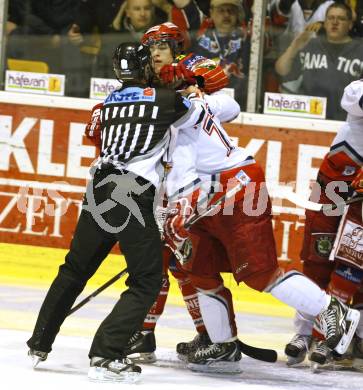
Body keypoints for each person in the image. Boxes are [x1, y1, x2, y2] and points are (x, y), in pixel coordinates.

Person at [26, 42, 206, 382]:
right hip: (131, 190)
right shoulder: (166, 99)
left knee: (75, 270)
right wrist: (191, 88)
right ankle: (106, 354)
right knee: (148, 279)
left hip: (100, 185)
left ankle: (40, 340)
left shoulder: (108, 103)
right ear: (144, 67)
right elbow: (198, 116)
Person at [161, 88, 361, 373]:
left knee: (259, 272)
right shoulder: (186, 103)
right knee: (198, 267)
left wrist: (176, 214)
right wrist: (203, 99)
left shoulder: (171, 126)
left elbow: (183, 179)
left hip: (238, 189)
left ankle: (333, 311)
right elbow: (230, 106)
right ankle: (223, 345)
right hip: (212, 192)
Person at [284, 79, 363, 369]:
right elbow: (352, 97)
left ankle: (337, 336)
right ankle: (304, 333)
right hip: (331, 189)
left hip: (359, 198)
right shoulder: (359, 88)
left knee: (353, 265)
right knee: (317, 260)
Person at [275, 2, 363, 120]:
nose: (335, 22)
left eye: (341, 18)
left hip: (346, 121)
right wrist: (295, 46)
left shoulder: (360, 50)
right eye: (330, 18)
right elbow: (282, 70)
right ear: (325, 23)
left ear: (350, 24)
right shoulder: (311, 45)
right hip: (310, 117)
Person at [171, 0, 250, 109]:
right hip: (201, 100)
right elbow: (183, 3)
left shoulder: (248, 34)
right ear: (211, 12)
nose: (226, 14)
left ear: (238, 14)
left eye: (231, 10)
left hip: (239, 102)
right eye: (221, 10)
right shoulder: (201, 27)